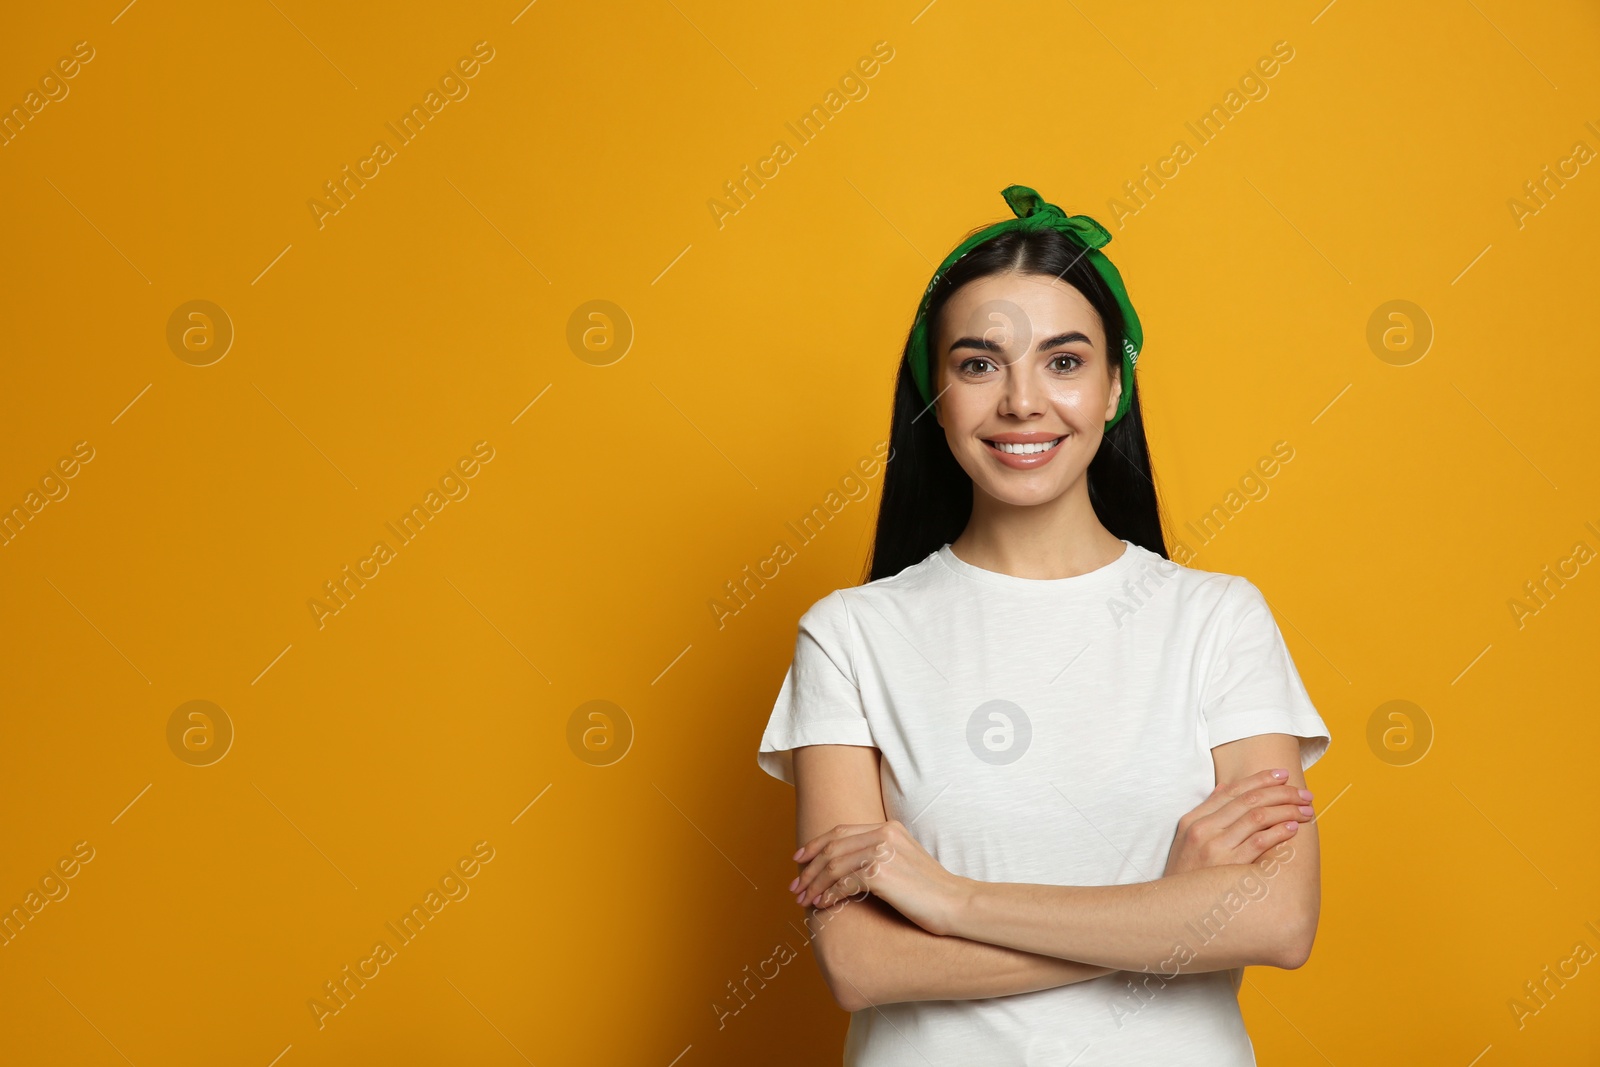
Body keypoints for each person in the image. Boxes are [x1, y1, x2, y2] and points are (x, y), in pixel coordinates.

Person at [755, 186, 1332, 1066]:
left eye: (1064, 362)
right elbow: (862, 963)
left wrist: (954, 903)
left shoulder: (1219, 620)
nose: (1024, 401)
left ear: (1113, 389)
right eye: (980, 365)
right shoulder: (849, 636)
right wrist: (1161, 910)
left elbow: (1277, 918)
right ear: (934, 396)